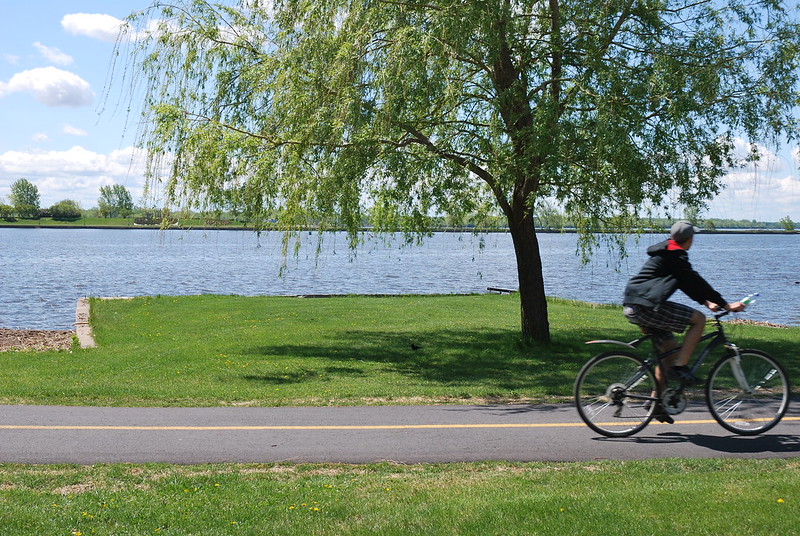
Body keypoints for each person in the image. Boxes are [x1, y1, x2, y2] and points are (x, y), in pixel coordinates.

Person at [622, 221, 745, 423]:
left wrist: (707, 301)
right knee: (698, 320)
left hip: (635, 305)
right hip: (646, 307)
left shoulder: (668, 251)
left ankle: (656, 404)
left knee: (668, 351)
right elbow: (694, 280)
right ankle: (681, 368)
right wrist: (725, 305)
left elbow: (687, 283)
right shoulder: (675, 255)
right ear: (690, 239)